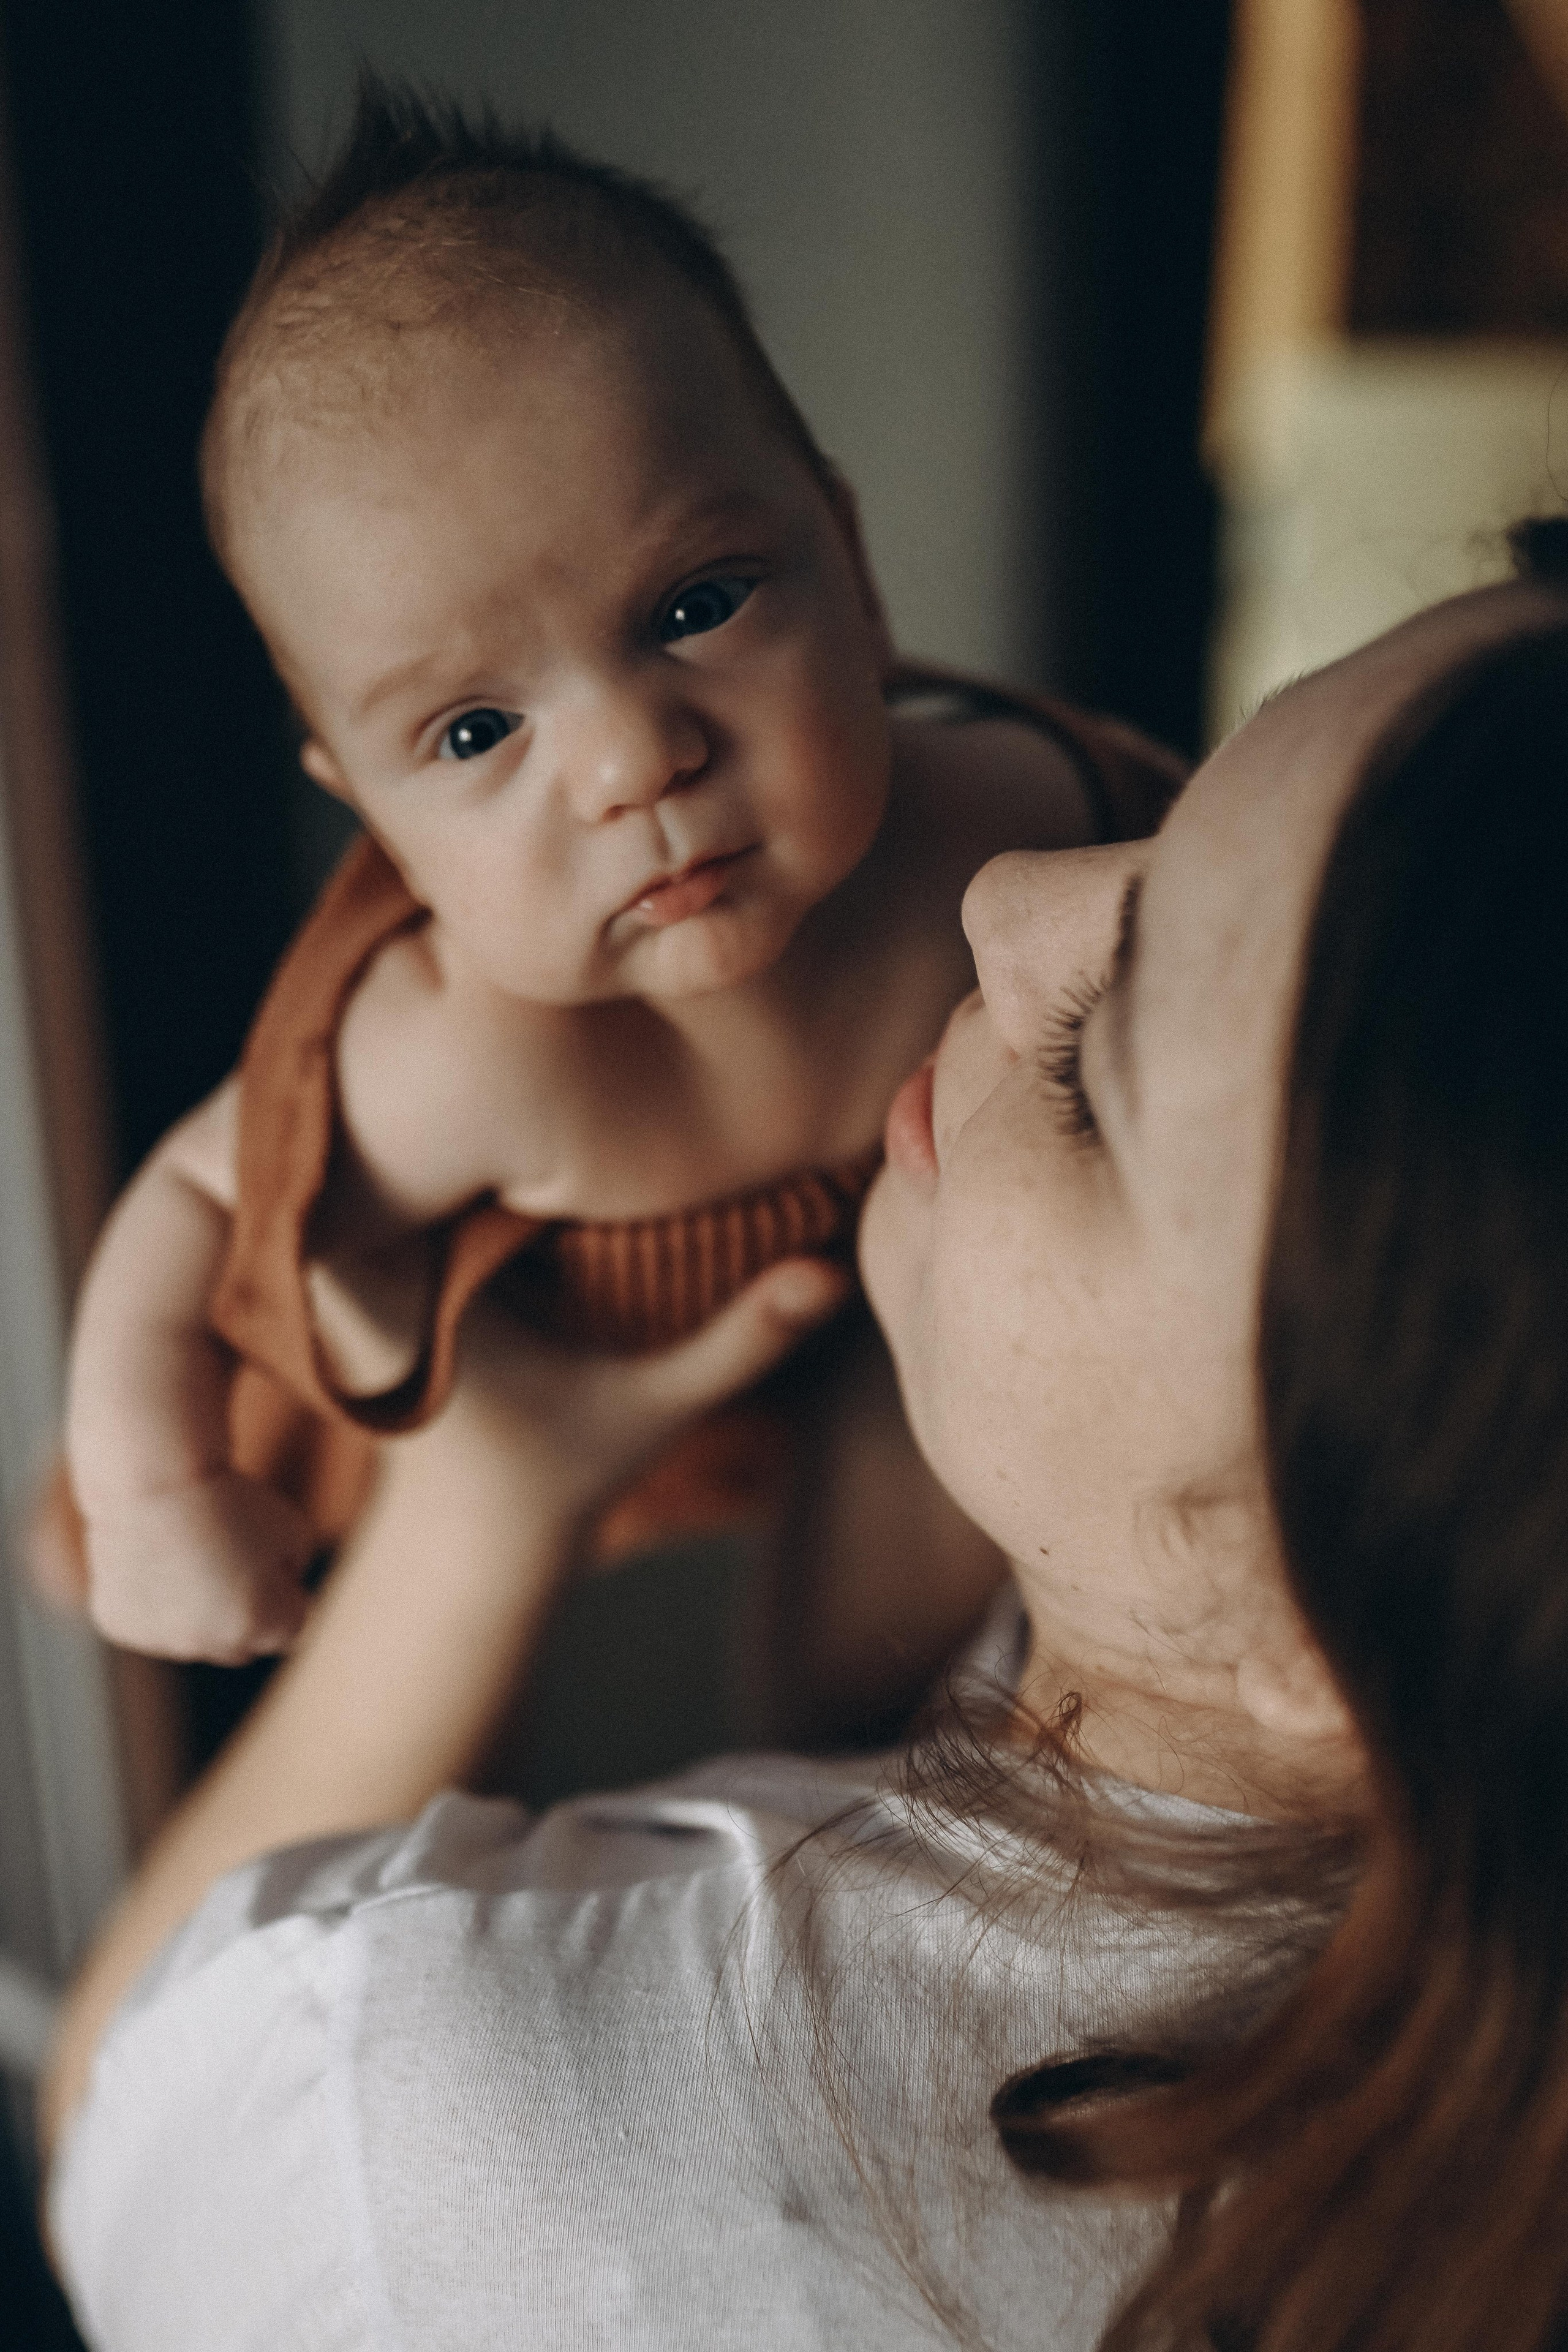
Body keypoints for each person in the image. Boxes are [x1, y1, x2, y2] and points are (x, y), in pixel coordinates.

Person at [42, 548, 1568, 2352]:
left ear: (1338, 1618)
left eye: (1096, 1062)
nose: (1000, 899)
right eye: (1186, 801)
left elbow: (131, 2130)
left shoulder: (438, 2119)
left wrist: (479, 1501)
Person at [51, 82, 1179, 1670]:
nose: (632, 764)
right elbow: (185, 1202)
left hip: (883, 1335)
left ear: (851, 573)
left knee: (865, 1652)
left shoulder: (1013, 825)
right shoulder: (465, 1055)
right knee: (323, 1496)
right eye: (476, 729)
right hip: (508, 1392)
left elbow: (1229, 885)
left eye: (695, 605)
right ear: (365, 807)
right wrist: (158, 1492)